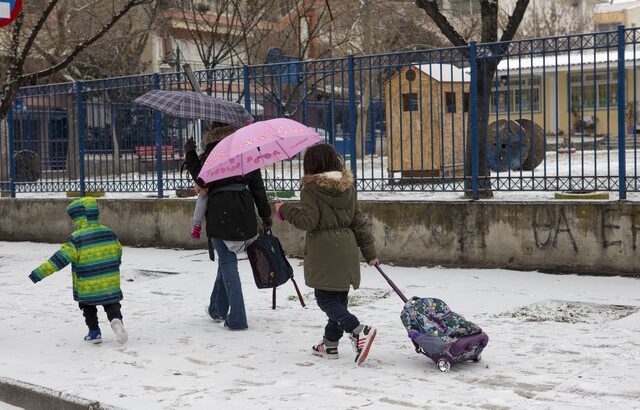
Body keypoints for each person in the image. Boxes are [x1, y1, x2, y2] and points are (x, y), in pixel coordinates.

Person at [275, 143, 379, 366]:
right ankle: (329, 343)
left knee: (324, 298)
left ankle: (358, 329)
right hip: (348, 248)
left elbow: (308, 221)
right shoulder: (347, 187)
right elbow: (358, 222)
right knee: (339, 298)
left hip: (324, 250)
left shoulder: (311, 189)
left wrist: (283, 209)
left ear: (311, 165)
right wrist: (369, 252)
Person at [184, 125, 272, 330]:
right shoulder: (245, 152)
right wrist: (266, 215)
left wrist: (190, 153)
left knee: (227, 261)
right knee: (226, 259)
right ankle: (217, 308)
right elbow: (258, 187)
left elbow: (202, 181)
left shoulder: (211, 154)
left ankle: (238, 317)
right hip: (244, 209)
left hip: (220, 210)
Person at [28, 197, 127, 345]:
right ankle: (116, 321)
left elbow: (59, 259)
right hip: (109, 280)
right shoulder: (109, 232)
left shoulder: (77, 238)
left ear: (78, 217)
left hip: (87, 283)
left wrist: (38, 273)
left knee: (88, 306)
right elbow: (118, 251)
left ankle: (94, 332)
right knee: (111, 303)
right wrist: (113, 265)